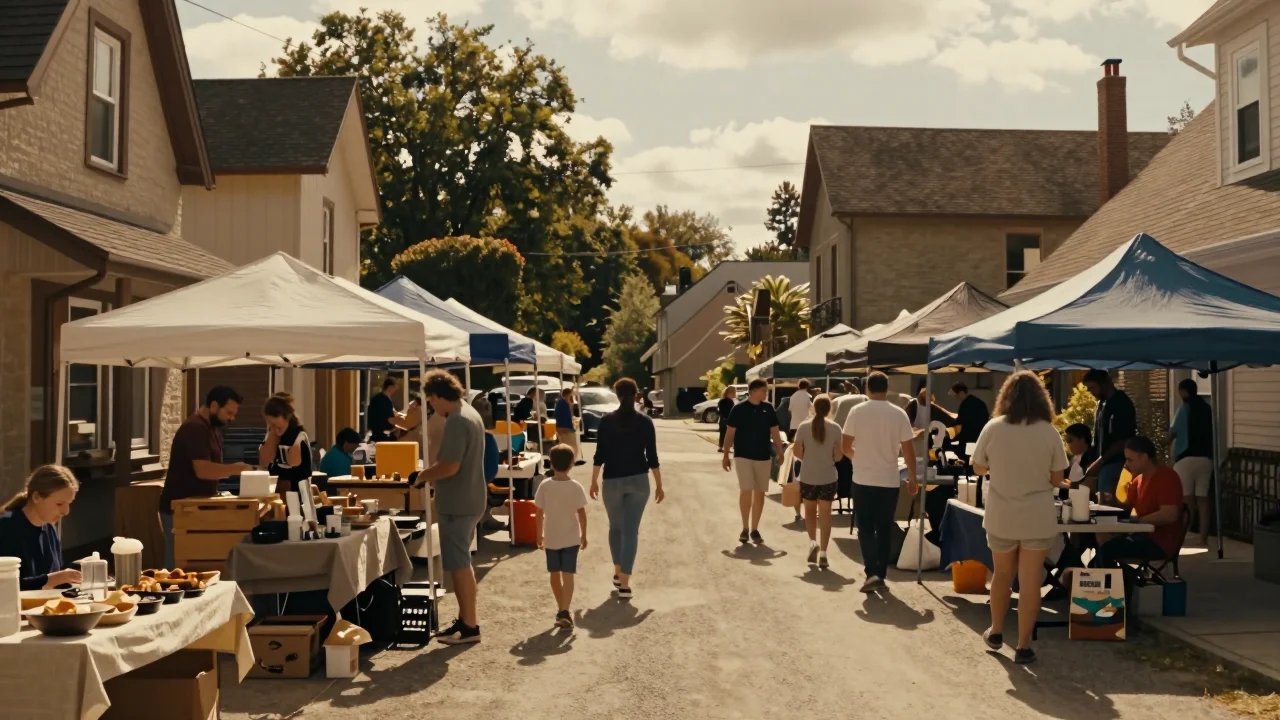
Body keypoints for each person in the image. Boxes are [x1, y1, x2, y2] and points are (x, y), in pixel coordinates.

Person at [970, 371, 1070, 666]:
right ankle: (1024, 645)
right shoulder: (1049, 431)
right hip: (1037, 515)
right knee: (1030, 581)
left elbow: (977, 468)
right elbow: (1057, 478)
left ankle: (997, 631)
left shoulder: (993, 427)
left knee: (1001, 575)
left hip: (1001, 513)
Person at [413, 370, 488, 645]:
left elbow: (450, 466)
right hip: (469, 499)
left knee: (458, 565)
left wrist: (421, 476)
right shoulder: (470, 412)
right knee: (461, 563)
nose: (432, 407)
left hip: (458, 503)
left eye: (431, 401)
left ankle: (469, 626)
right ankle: (466, 620)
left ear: (437, 396)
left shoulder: (457, 420)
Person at [160, 386, 255, 568]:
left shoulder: (213, 429)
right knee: (179, 566)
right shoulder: (194, 428)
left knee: (194, 563)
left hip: (194, 508)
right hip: (179, 510)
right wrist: (236, 469)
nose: (231, 418)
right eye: (228, 412)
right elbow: (203, 470)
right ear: (213, 406)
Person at [842, 372, 919, 593]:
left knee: (864, 527)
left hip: (863, 478)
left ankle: (871, 572)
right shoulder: (899, 414)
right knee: (884, 527)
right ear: (887, 388)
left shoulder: (856, 412)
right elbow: (909, 449)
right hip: (888, 479)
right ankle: (881, 573)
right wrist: (912, 477)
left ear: (867, 388)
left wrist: (860, 458)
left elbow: (845, 446)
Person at [589, 378, 663, 600]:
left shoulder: (606, 421)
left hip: (612, 480)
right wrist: (659, 484)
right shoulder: (645, 421)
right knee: (631, 531)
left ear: (617, 395)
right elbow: (652, 456)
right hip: (639, 480)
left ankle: (618, 570)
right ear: (637, 395)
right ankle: (625, 583)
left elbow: (599, 454)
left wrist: (593, 480)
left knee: (616, 528)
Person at [1094, 435, 1184, 567]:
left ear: (1144, 457)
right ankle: (1116, 581)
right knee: (1096, 541)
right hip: (1142, 536)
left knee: (1107, 550)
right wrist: (1109, 500)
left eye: (1130, 460)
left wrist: (1138, 521)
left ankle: (1117, 584)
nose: (1126, 464)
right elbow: (1125, 509)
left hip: (1159, 543)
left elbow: (1170, 514)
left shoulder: (1166, 477)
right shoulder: (1138, 480)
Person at [0, 465, 82, 590]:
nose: (66, 511)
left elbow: (53, 581)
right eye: (59, 504)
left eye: (68, 504)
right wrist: (52, 579)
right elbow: (5, 587)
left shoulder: (49, 529)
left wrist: (76, 571)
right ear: (36, 497)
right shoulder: (6, 527)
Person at [723, 379, 784, 545]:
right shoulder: (739, 409)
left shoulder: (768, 408)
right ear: (755, 390)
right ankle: (744, 528)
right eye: (764, 391)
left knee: (759, 492)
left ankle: (754, 528)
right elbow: (730, 434)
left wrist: (779, 451)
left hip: (763, 456)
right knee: (746, 489)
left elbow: (775, 432)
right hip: (743, 455)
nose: (766, 394)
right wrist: (726, 454)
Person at [536, 444, 589, 628]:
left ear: (551, 464)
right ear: (572, 464)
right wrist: (584, 535)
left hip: (551, 537)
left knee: (554, 574)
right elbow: (581, 513)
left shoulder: (545, 485)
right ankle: (564, 610)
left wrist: (539, 535)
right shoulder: (576, 487)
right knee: (568, 575)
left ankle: (562, 609)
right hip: (571, 537)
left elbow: (539, 513)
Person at [792, 394, 843, 569]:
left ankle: (813, 542)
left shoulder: (803, 427)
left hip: (808, 475)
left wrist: (809, 458)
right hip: (828, 477)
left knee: (810, 512)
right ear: (830, 409)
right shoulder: (836, 428)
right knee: (825, 514)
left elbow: (797, 453)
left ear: (812, 407)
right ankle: (824, 553)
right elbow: (838, 456)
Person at [1169, 378, 1214, 546]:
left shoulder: (1184, 409)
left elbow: (1172, 433)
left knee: (1186, 499)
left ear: (1183, 391)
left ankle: (1185, 533)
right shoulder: (1207, 409)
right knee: (1203, 499)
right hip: (1205, 459)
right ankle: (1203, 537)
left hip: (1185, 459)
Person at [1082, 369, 1136, 503]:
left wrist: (1100, 461)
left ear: (1104, 383)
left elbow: (1122, 440)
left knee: (1109, 506)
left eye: (1092, 388)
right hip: (1104, 463)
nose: (1091, 392)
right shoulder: (1101, 404)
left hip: (1116, 462)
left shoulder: (1121, 403)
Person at [260, 392, 312, 495]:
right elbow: (265, 460)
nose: (275, 429)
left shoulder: (299, 435)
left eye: (278, 426)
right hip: (276, 493)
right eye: (271, 425)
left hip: (297, 493)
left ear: (286, 417)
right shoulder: (272, 434)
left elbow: (293, 461)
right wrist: (273, 433)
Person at [950, 382, 991, 458]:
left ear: (961, 393)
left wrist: (950, 426)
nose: (957, 399)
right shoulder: (979, 403)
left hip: (968, 438)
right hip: (980, 437)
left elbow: (960, 421)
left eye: (957, 396)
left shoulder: (965, 405)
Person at [1064, 423, 1098, 488]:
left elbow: (1088, 483)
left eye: (1069, 440)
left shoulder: (1092, 458)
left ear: (1082, 439)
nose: (1067, 443)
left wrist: (1072, 485)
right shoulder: (1071, 459)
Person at [368, 376, 399, 442]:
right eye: (394, 388)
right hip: (382, 433)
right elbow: (388, 417)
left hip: (376, 431)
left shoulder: (377, 398)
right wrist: (395, 426)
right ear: (390, 387)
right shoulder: (385, 400)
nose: (394, 391)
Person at [555, 387, 579, 455]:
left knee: (567, 446)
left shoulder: (564, 402)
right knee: (571, 447)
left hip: (564, 427)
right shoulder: (562, 403)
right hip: (565, 428)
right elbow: (561, 416)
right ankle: (568, 460)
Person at [716, 385, 737, 451]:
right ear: (731, 393)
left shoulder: (722, 400)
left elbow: (719, 410)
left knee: (722, 433)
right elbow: (730, 411)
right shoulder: (729, 402)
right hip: (728, 419)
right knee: (730, 434)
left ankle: (721, 446)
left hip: (722, 420)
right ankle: (727, 447)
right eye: (734, 392)